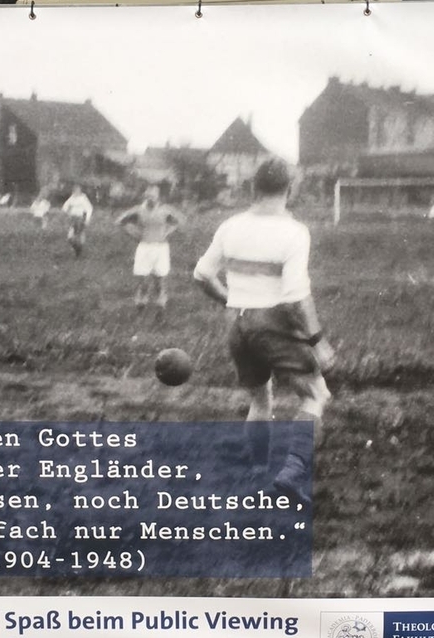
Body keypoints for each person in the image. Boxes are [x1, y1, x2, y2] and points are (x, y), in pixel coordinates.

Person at [192, 159, 334, 503]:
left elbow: (201, 274)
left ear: (253, 188)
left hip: (237, 323)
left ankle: (257, 474)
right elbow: (296, 297)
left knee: (260, 400)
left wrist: (233, 299)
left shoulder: (230, 226)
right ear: (291, 188)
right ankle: (291, 473)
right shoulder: (294, 231)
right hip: (272, 323)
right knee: (316, 395)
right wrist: (319, 342)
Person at [116, 184, 184, 308]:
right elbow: (120, 221)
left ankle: (160, 305)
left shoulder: (165, 210)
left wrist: (167, 232)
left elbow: (178, 221)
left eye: (153, 195)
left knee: (160, 280)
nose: (151, 198)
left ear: (158, 196)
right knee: (143, 280)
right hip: (145, 247)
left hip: (161, 248)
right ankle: (141, 303)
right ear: (144, 196)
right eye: (148, 195)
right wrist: (134, 234)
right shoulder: (138, 210)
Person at [61, 184, 94, 258]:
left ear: (80, 191)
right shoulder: (72, 198)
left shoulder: (83, 198)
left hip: (80, 217)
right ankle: (77, 248)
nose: (76, 192)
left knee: (80, 233)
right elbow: (65, 207)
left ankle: (79, 251)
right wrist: (68, 212)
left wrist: (87, 219)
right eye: (75, 191)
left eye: (78, 190)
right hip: (73, 218)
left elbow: (89, 209)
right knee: (70, 237)